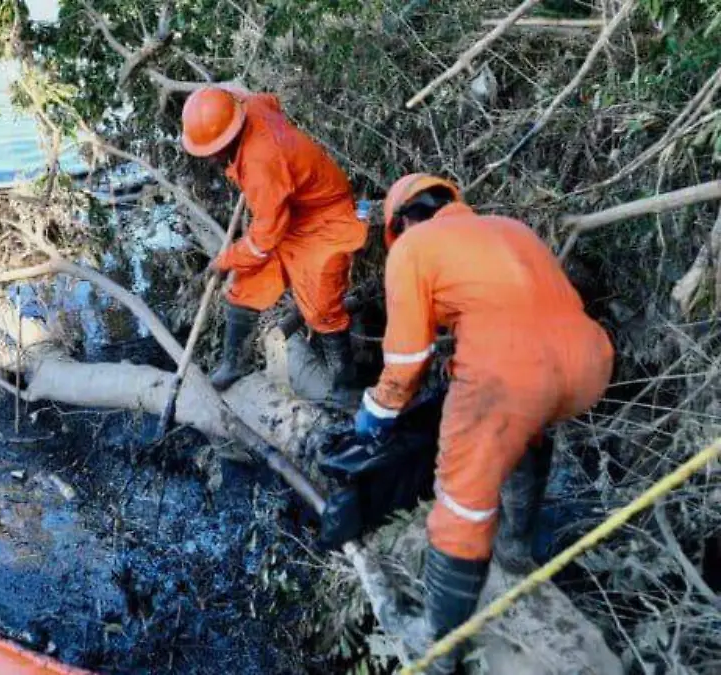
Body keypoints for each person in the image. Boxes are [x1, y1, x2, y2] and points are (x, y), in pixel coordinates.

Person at [353, 174, 614, 673]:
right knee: (528, 434)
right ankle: (516, 549)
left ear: (403, 222)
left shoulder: (413, 248)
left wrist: (377, 413)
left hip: (509, 376)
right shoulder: (510, 227)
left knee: (461, 508)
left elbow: (408, 357)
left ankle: (439, 649)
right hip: (589, 362)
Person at [180, 86, 367, 395]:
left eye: (212, 151)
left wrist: (224, 260)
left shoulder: (261, 164)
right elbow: (269, 100)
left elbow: (264, 239)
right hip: (290, 211)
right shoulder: (247, 104)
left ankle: (345, 386)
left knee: (322, 308)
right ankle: (234, 364)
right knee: (246, 286)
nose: (211, 158)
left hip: (323, 218)